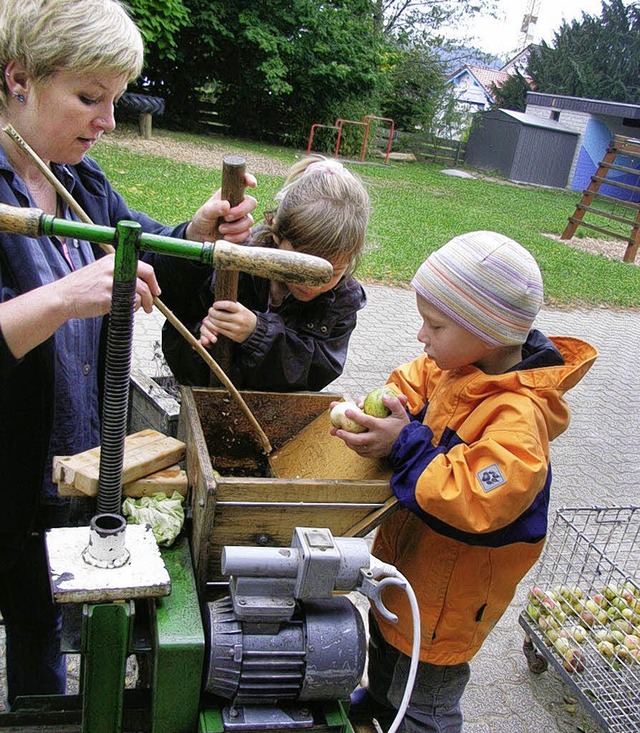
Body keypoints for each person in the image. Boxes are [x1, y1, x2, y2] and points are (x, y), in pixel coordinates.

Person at [0, 0, 256, 706]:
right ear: (18, 77)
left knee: (42, 625)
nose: (108, 120)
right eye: (89, 97)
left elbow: (148, 252)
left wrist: (196, 227)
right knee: (25, 613)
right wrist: (60, 297)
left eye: (114, 99)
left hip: (73, 461)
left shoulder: (77, 181)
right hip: (6, 473)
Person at [331, 231, 598, 732]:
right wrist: (384, 408)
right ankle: (380, 708)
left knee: (425, 698)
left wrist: (403, 444)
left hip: (446, 603)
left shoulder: (519, 418)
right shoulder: (456, 364)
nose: (421, 337)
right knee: (385, 647)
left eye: (434, 324)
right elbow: (412, 381)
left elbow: (477, 497)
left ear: (488, 329)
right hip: (406, 571)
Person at [162, 155, 370, 391]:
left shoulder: (343, 300)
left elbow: (315, 372)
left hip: (276, 415)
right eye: (301, 270)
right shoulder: (236, 263)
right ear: (277, 234)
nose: (311, 286)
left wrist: (257, 333)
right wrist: (201, 341)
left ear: (351, 258)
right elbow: (177, 341)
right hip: (208, 402)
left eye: (327, 275)